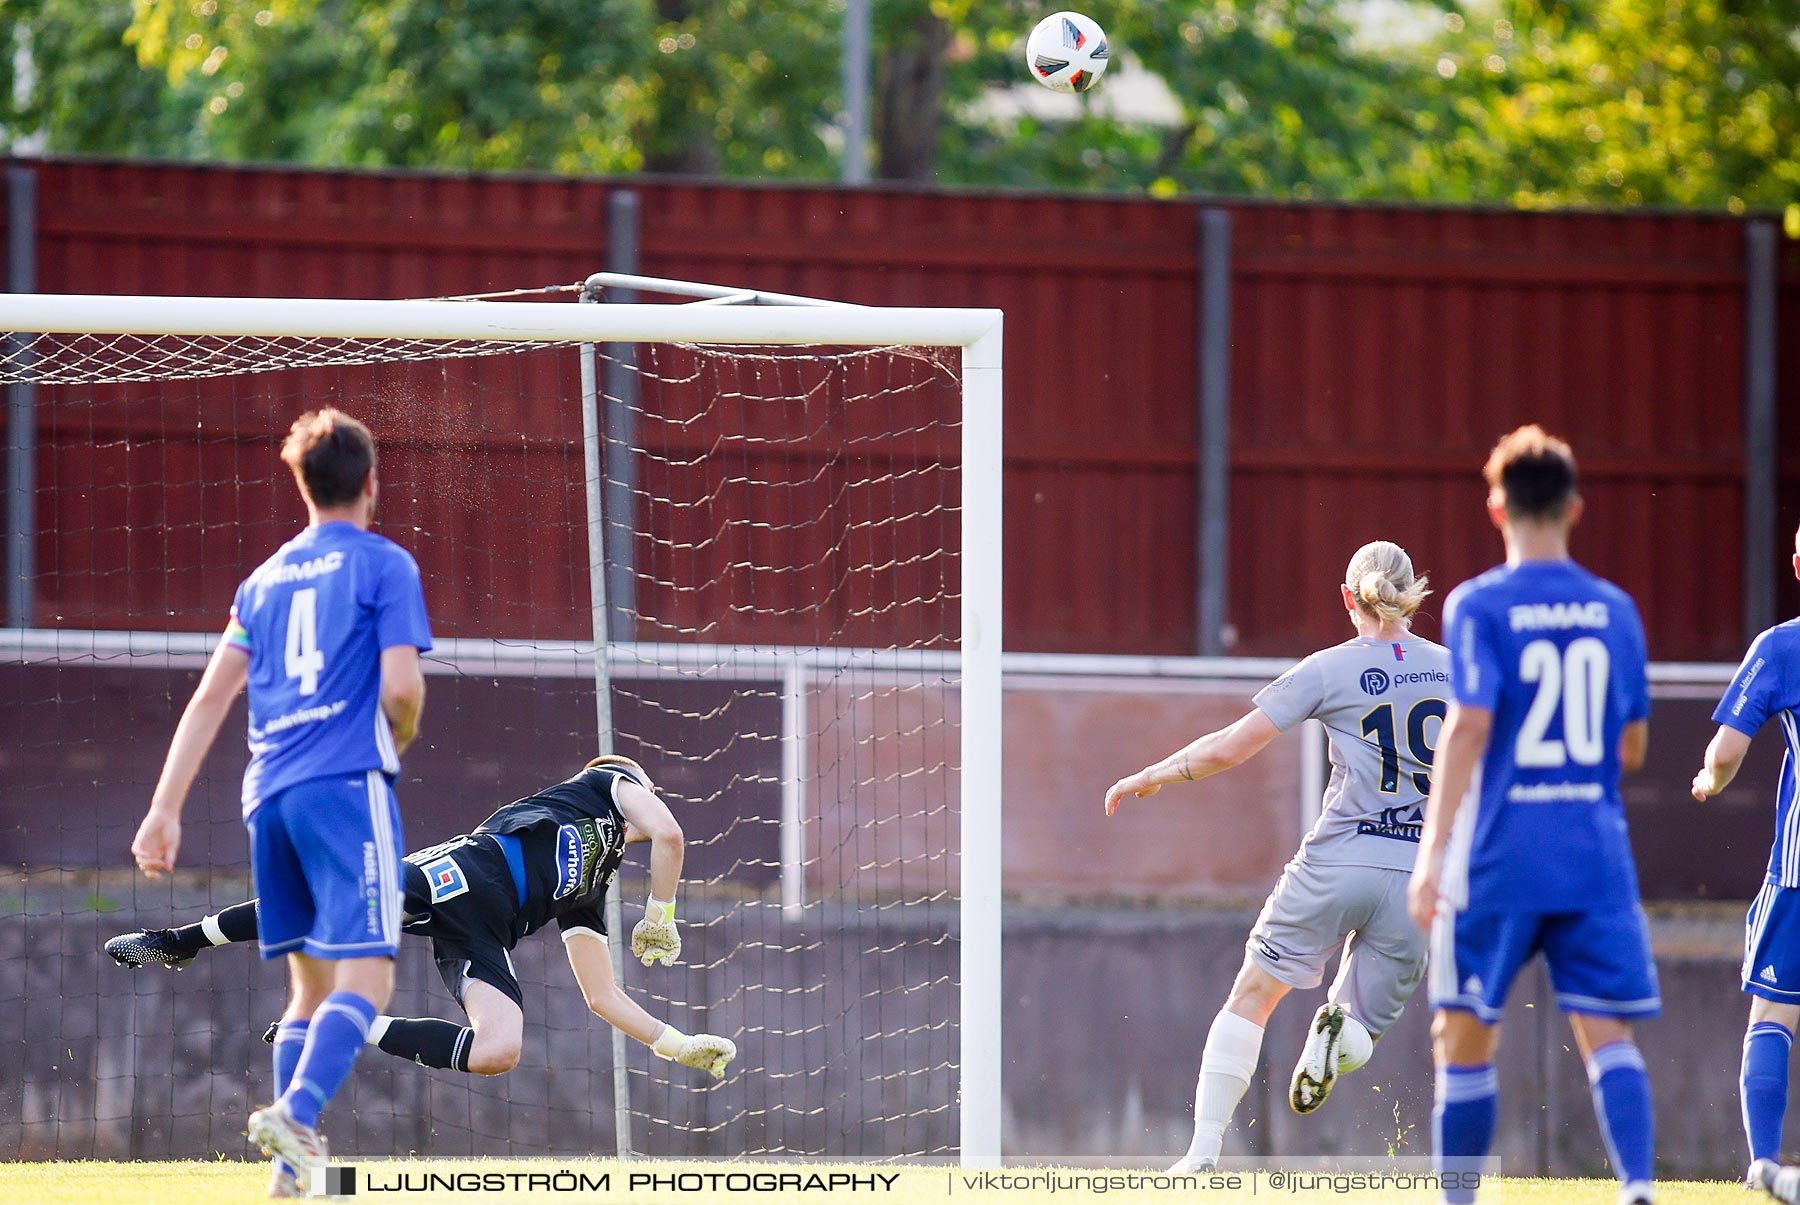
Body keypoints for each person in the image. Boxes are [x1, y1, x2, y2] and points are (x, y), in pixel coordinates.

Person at [129, 409, 431, 1197]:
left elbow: (208, 700)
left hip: (267, 797)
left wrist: (164, 809)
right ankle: (296, 1111)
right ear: (372, 483)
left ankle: (290, 1173)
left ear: (301, 484)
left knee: (307, 988)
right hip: (345, 786)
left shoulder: (260, 583)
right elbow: (401, 687)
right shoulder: (384, 564)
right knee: (368, 981)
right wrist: (397, 735)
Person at [1106, 541, 1449, 1172]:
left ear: (1349, 599)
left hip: (1336, 864)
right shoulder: (1458, 671)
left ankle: (1202, 1153)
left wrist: (1155, 774)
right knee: (1361, 1032)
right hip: (1418, 875)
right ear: (1412, 595)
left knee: (1253, 994)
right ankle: (1335, 1036)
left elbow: (1230, 748)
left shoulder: (1329, 668)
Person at [107, 755, 737, 1087]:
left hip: (478, 935)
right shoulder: (602, 786)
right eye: (648, 794)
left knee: (500, 1050)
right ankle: (178, 941)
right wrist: (662, 913)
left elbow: (602, 996)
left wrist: (676, 1044)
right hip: (464, 872)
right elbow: (671, 835)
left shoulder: (591, 890)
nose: (650, 807)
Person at [1408, 426, 1656, 1205]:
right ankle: (1639, 1186)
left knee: (1462, 1033)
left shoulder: (1478, 604)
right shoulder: (1615, 610)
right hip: (1592, 853)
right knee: (1606, 1031)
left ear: (1496, 505)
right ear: (1575, 507)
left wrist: (1430, 853)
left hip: (1501, 857)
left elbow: (1470, 724)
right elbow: (1633, 746)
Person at [1689, 521, 1800, 1201]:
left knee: (1773, 1015)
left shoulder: (1783, 647)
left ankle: (1764, 1163)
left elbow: (1727, 750)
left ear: (1796, 563)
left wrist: (1707, 781)